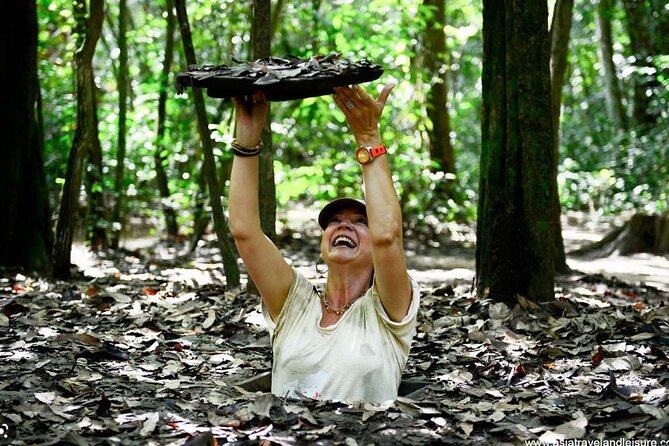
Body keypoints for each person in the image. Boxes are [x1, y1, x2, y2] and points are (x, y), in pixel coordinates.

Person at [228, 82, 420, 403]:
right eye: (335, 220)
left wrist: (369, 138)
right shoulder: (294, 305)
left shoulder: (388, 309)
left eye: (361, 222)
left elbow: (388, 237)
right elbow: (245, 231)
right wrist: (247, 139)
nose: (344, 224)